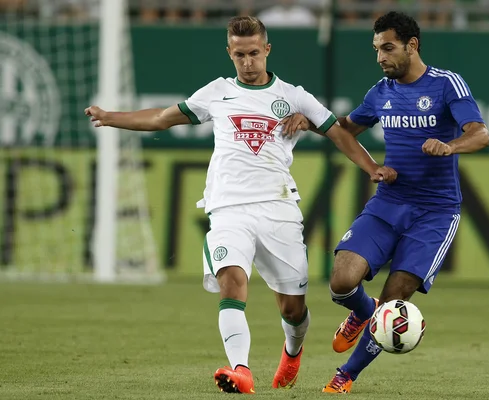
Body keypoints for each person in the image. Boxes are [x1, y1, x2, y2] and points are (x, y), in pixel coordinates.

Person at [84, 16, 396, 394]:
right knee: (231, 284)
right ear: (229, 54)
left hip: (278, 210)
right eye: (239, 55)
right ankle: (241, 370)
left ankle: (292, 352)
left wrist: (372, 167)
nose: (247, 62)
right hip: (228, 208)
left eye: (253, 53)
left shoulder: (294, 97)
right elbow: (162, 117)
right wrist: (110, 117)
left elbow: (338, 133)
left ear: (266, 50)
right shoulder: (216, 92)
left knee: (292, 311)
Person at [282, 11, 489, 393]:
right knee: (342, 281)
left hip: (436, 212)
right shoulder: (381, 92)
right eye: (377, 49)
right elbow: (346, 129)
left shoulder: (446, 84)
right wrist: (309, 122)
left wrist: (450, 146)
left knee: (395, 302)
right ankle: (362, 311)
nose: (380, 57)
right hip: (389, 201)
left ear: (412, 46)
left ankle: (346, 375)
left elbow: (479, 133)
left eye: (388, 48)